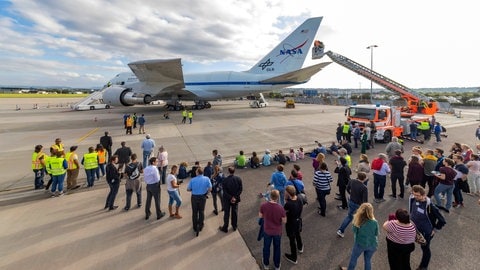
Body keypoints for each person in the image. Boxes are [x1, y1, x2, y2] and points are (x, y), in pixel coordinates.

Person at [409, 185, 446, 270]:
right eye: (414, 194)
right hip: (414, 228)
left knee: (425, 248)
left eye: (417, 195)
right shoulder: (413, 199)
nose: (415, 197)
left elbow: (442, 220)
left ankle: (424, 266)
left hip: (426, 232)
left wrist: (435, 229)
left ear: (424, 195)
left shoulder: (431, 207)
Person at [343, 203, 378, 270]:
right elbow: (376, 233)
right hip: (372, 244)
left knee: (354, 258)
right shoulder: (374, 222)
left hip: (360, 243)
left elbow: (355, 231)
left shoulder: (357, 220)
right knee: (368, 260)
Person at [259, 189, 286, 270]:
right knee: (277, 248)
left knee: (266, 247)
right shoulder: (281, 208)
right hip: (277, 231)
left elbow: (260, 216)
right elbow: (284, 221)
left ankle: (266, 264)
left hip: (267, 230)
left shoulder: (263, 205)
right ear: (277, 198)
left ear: (270, 196)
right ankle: (277, 265)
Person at [337, 172, 369, 238]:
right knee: (361, 218)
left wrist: (350, 193)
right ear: (364, 178)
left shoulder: (352, 181)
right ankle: (360, 233)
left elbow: (347, 188)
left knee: (349, 217)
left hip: (351, 201)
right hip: (358, 205)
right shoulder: (364, 187)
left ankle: (340, 230)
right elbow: (365, 200)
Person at [187, 167, 212, 236]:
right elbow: (210, 188)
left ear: (197, 172)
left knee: (195, 212)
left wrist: (194, 189)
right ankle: (201, 225)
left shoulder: (193, 180)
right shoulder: (207, 179)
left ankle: (195, 226)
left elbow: (188, 189)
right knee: (201, 211)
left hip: (194, 197)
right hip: (202, 197)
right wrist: (206, 193)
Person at [283, 185, 304, 265]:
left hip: (291, 224)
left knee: (292, 240)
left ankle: (294, 257)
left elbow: (284, 214)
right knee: (298, 234)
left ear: (288, 193)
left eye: (285, 192)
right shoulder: (299, 198)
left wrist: (285, 201)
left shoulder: (288, 204)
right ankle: (300, 247)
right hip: (298, 221)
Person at [219, 166, 243, 233]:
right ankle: (234, 226)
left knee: (226, 213)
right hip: (235, 199)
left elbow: (224, 191)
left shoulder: (225, 180)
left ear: (228, 172)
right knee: (234, 212)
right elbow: (240, 189)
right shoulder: (238, 179)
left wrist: (230, 197)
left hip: (227, 199)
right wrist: (234, 197)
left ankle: (225, 227)